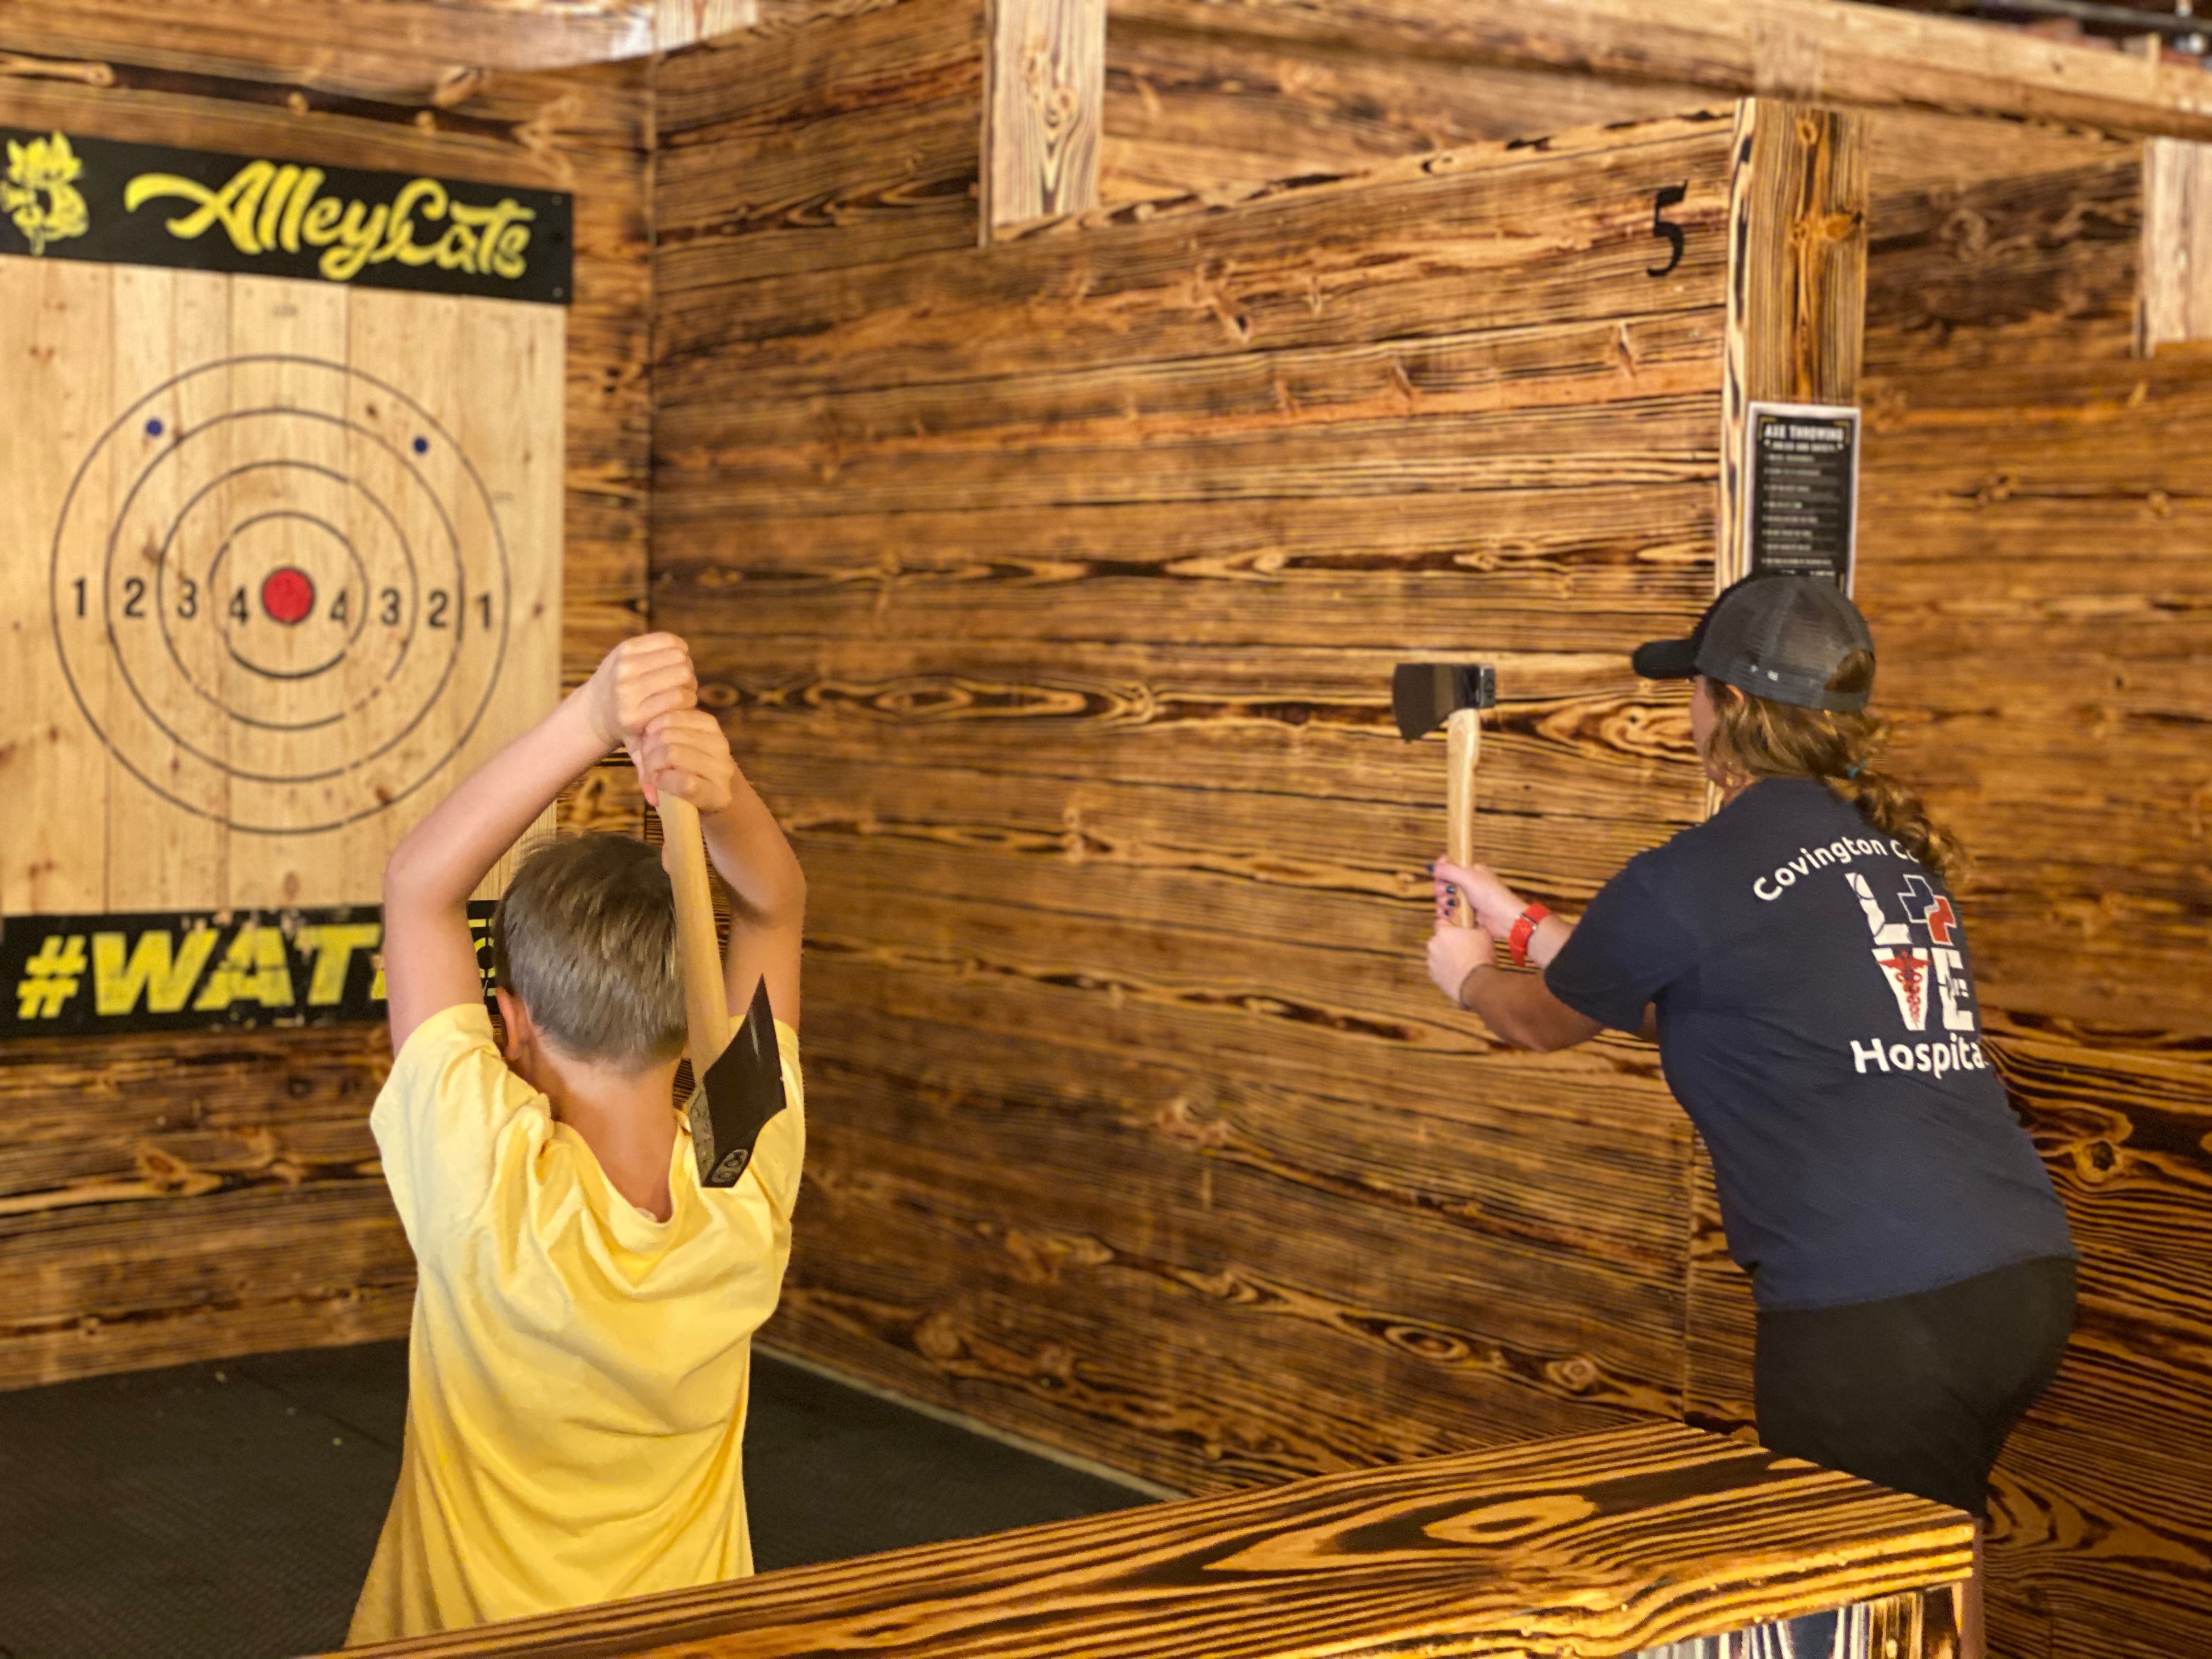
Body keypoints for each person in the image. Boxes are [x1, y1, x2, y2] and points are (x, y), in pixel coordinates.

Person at [1423, 574, 2074, 1659]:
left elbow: (1545, 1023)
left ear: (1722, 704)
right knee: (1927, 1567)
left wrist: (1462, 975)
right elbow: (1703, 998)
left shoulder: (1690, 873)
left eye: (1692, 694)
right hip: (2020, 1281)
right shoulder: (1887, 854)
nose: (1686, 715)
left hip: (1876, 1318)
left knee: (1850, 1597)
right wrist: (1520, 917)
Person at [348, 633, 808, 1644]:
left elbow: (420, 885)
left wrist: (591, 722)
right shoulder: (741, 1168)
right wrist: (716, 793)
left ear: (509, 1027)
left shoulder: (488, 1182)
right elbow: (776, 905)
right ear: (697, 1020)